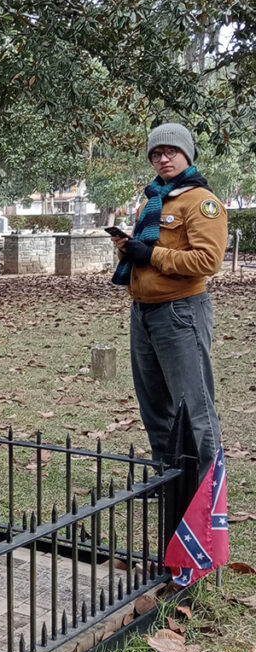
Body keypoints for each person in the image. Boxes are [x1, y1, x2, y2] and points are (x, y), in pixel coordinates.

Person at [111, 123, 227, 471]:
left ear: (186, 154)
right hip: (143, 311)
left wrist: (151, 255)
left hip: (181, 312)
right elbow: (148, 251)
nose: (163, 160)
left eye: (170, 152)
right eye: (156, 154)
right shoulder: (154, 199)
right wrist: (129, 251)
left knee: (193, 405)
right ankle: (168, 477)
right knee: (154, 404)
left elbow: (208, 261)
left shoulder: (202, 202)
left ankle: (205, 488)